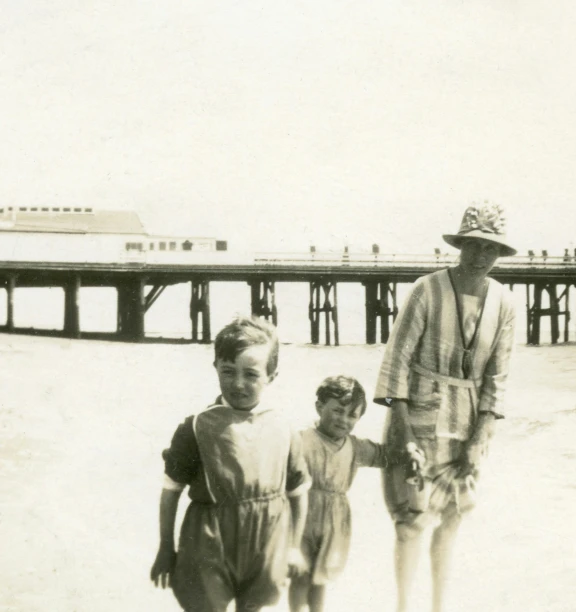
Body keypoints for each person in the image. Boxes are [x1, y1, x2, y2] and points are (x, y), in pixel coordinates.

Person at [374, 201, 517, 612]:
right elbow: (397, 359)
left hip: (468, 423)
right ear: (461, 245)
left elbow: (498, 378)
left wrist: (481, 436)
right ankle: (402, 606)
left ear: (499, 253)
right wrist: (399, 428)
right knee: (409, 521)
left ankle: (439, 606)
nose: (480, 255)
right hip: (417, 417)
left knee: (452, 519)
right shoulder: (427, 288)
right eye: (473, 245)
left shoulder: (505, 303)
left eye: (490, 248)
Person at [150, 316, 310, 612]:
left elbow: (298, 492)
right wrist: (165, 547)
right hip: (209, 539)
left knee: (254, 605)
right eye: (228, 371)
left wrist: (292, 548)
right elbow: (170, 490)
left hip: (266, 537)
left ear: (271, 377)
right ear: (216, 369)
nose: (238, 384)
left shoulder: (283, 428)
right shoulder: (196, 426)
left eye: (251, 374)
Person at [289, 375, 422, 612]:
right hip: (302, 518)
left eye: (352, 415)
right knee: (301, 575)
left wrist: (410, 453)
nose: (344, 419)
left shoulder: (355, 446)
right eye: (338, 410)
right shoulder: (301, 439)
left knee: (321, 577)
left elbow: (385, 456)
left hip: (335, 521)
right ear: (319, 406)